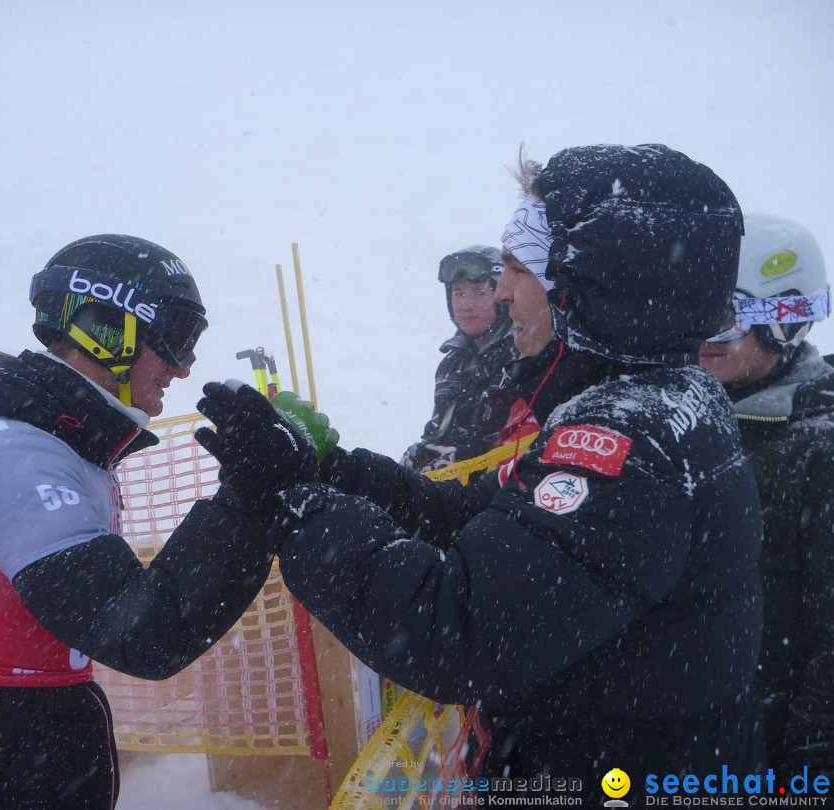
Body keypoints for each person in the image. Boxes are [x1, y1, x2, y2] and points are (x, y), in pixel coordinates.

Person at [196, 144, 764, 799]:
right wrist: (330, 472)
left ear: (586, 292)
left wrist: (293, 501)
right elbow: (474, 516)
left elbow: (454, 626)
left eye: (517, 270)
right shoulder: (653, 402)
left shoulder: (630, 440)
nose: (498, 293)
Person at [0, 234, 274, 809]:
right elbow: (143, 632)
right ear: (107, 327)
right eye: (174, 335)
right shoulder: (11, 457)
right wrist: (249, 499)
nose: (182, 365)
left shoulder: (61, 445)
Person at [699, 213, 834, 781]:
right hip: (699, 734)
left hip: (768, 742)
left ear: (782, 323)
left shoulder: (817, 449)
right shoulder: (696, 418)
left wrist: (811, 758)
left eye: (724, 318)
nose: (704, 335)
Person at [400, 246, 515, 472]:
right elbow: (439, 433)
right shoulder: (451, 365)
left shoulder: (522, 355)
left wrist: (462, 459)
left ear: (500, 295)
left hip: (498, 492)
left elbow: (523, 438)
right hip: (447, 491)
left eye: (479, 293)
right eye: (459, 293)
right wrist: (421, 455)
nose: (466, 305)